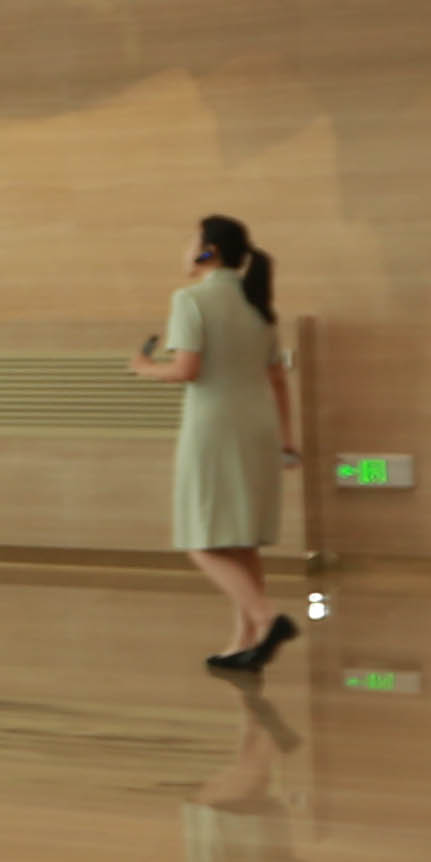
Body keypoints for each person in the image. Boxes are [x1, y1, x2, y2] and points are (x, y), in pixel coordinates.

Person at [133, 215, 295, 671]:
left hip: (214, 428)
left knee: (199, 540)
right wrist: (287, 440)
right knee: (241, 540)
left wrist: (144, 368)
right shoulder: (258, 304)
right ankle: (245, 639)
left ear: (210, 251)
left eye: (192, 242)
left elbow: (187, 370)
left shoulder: (190, 299)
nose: (185, 250)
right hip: (259, 426)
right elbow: (277, 378)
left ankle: (268, 617)